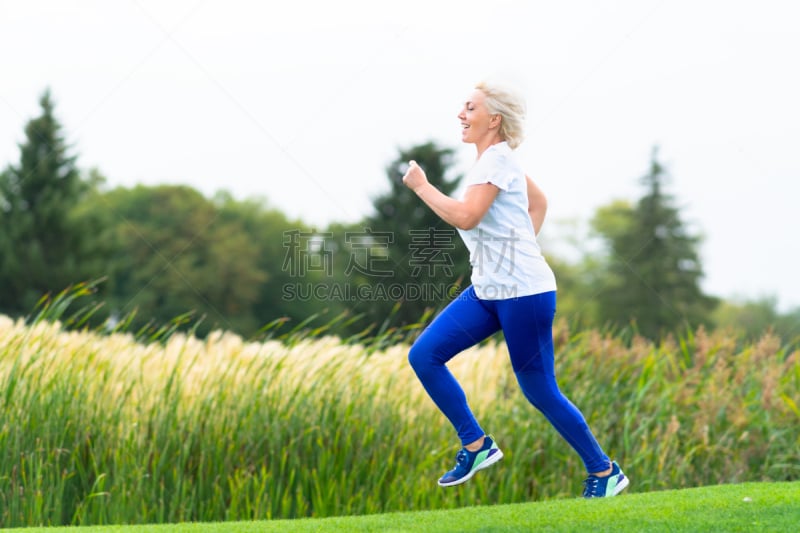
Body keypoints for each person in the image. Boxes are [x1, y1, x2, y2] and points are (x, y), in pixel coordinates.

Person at [401, 80, 629, 498]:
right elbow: (538, 203)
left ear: (494, 119)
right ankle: (476, 444)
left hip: (524, 294)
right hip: (489, 290)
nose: (461, 115)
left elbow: (467, 217)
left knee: (540, 390)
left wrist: (421, 187)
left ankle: (604, 471)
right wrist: (513, 250)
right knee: (425, 355)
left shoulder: (496, 163)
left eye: (470, 108)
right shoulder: (496, 162)